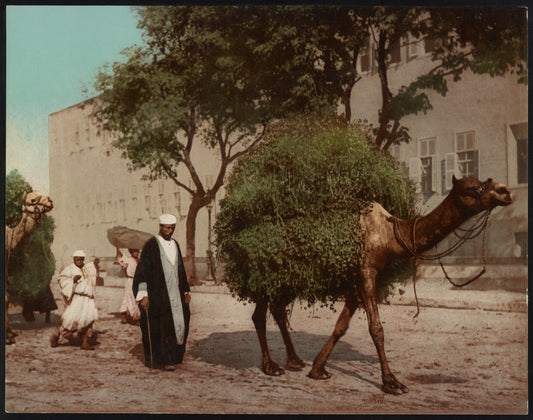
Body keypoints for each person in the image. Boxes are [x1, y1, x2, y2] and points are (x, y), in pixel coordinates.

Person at [133, 214, 191, 371]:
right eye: (167, 228)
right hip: (158, 294)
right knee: (161, 326)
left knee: (177, 324)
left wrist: (185, 290)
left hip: (176, 293)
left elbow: (180, 269)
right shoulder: (151, 245)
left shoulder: (175, 244)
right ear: (160, 227)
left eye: (172, 228)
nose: (170, 231)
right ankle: (160, 360)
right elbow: (142, 271)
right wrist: (143, 295)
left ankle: (174, 357)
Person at [50, 250, 99, 350]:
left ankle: (85, 343)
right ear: (74, 259)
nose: (80, 261)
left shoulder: (87, 269)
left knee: (89, 320)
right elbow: (61, 279)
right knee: (70, 319)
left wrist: (95, 262)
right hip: (77, 298)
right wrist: (73, 280)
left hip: (88, 298)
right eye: (77, 259)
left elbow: (94, 272)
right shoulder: (69, 269)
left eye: (81, 259)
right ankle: (56, 335)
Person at [113, 238, 141, 325]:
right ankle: (133, 317)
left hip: (137, 281)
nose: (136, 253)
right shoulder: (128, 260)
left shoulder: (139, 260)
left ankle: (129, 315)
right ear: (131, 252)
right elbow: (119, 255)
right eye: (134, 251)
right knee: (130, 297)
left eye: (137, 251)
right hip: (130, 280)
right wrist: (117, 244)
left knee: (136, 298)